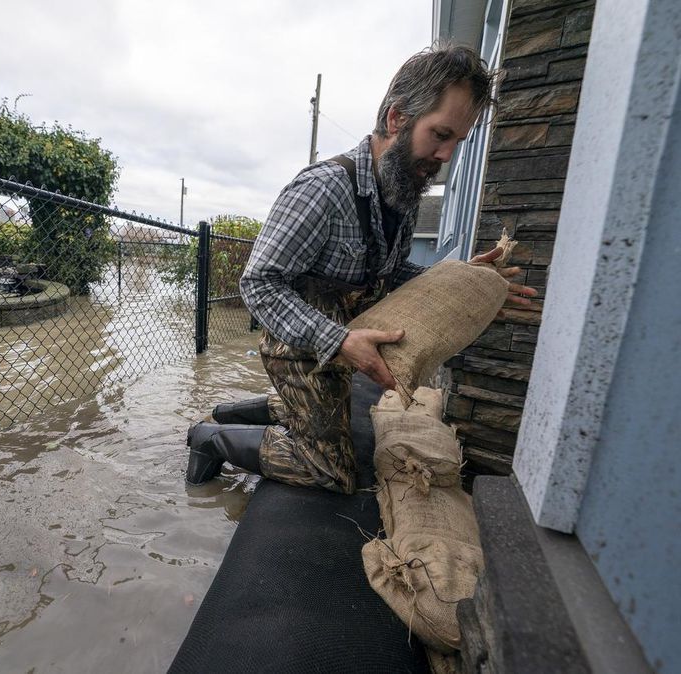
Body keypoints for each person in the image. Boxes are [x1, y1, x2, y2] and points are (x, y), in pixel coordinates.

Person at [185, 43, 536, 494]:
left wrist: (465, 282)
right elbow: (257, 284)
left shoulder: (402, 188)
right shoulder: (323, 189)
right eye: (440, 135)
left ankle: (250, 409)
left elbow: (390, 274)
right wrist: (341, 341)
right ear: (397, 118)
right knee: (330, 471)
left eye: (456, 143)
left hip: (344, 343)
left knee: (332, 424)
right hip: (299, 346)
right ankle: (208, 437)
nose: (446, 156)